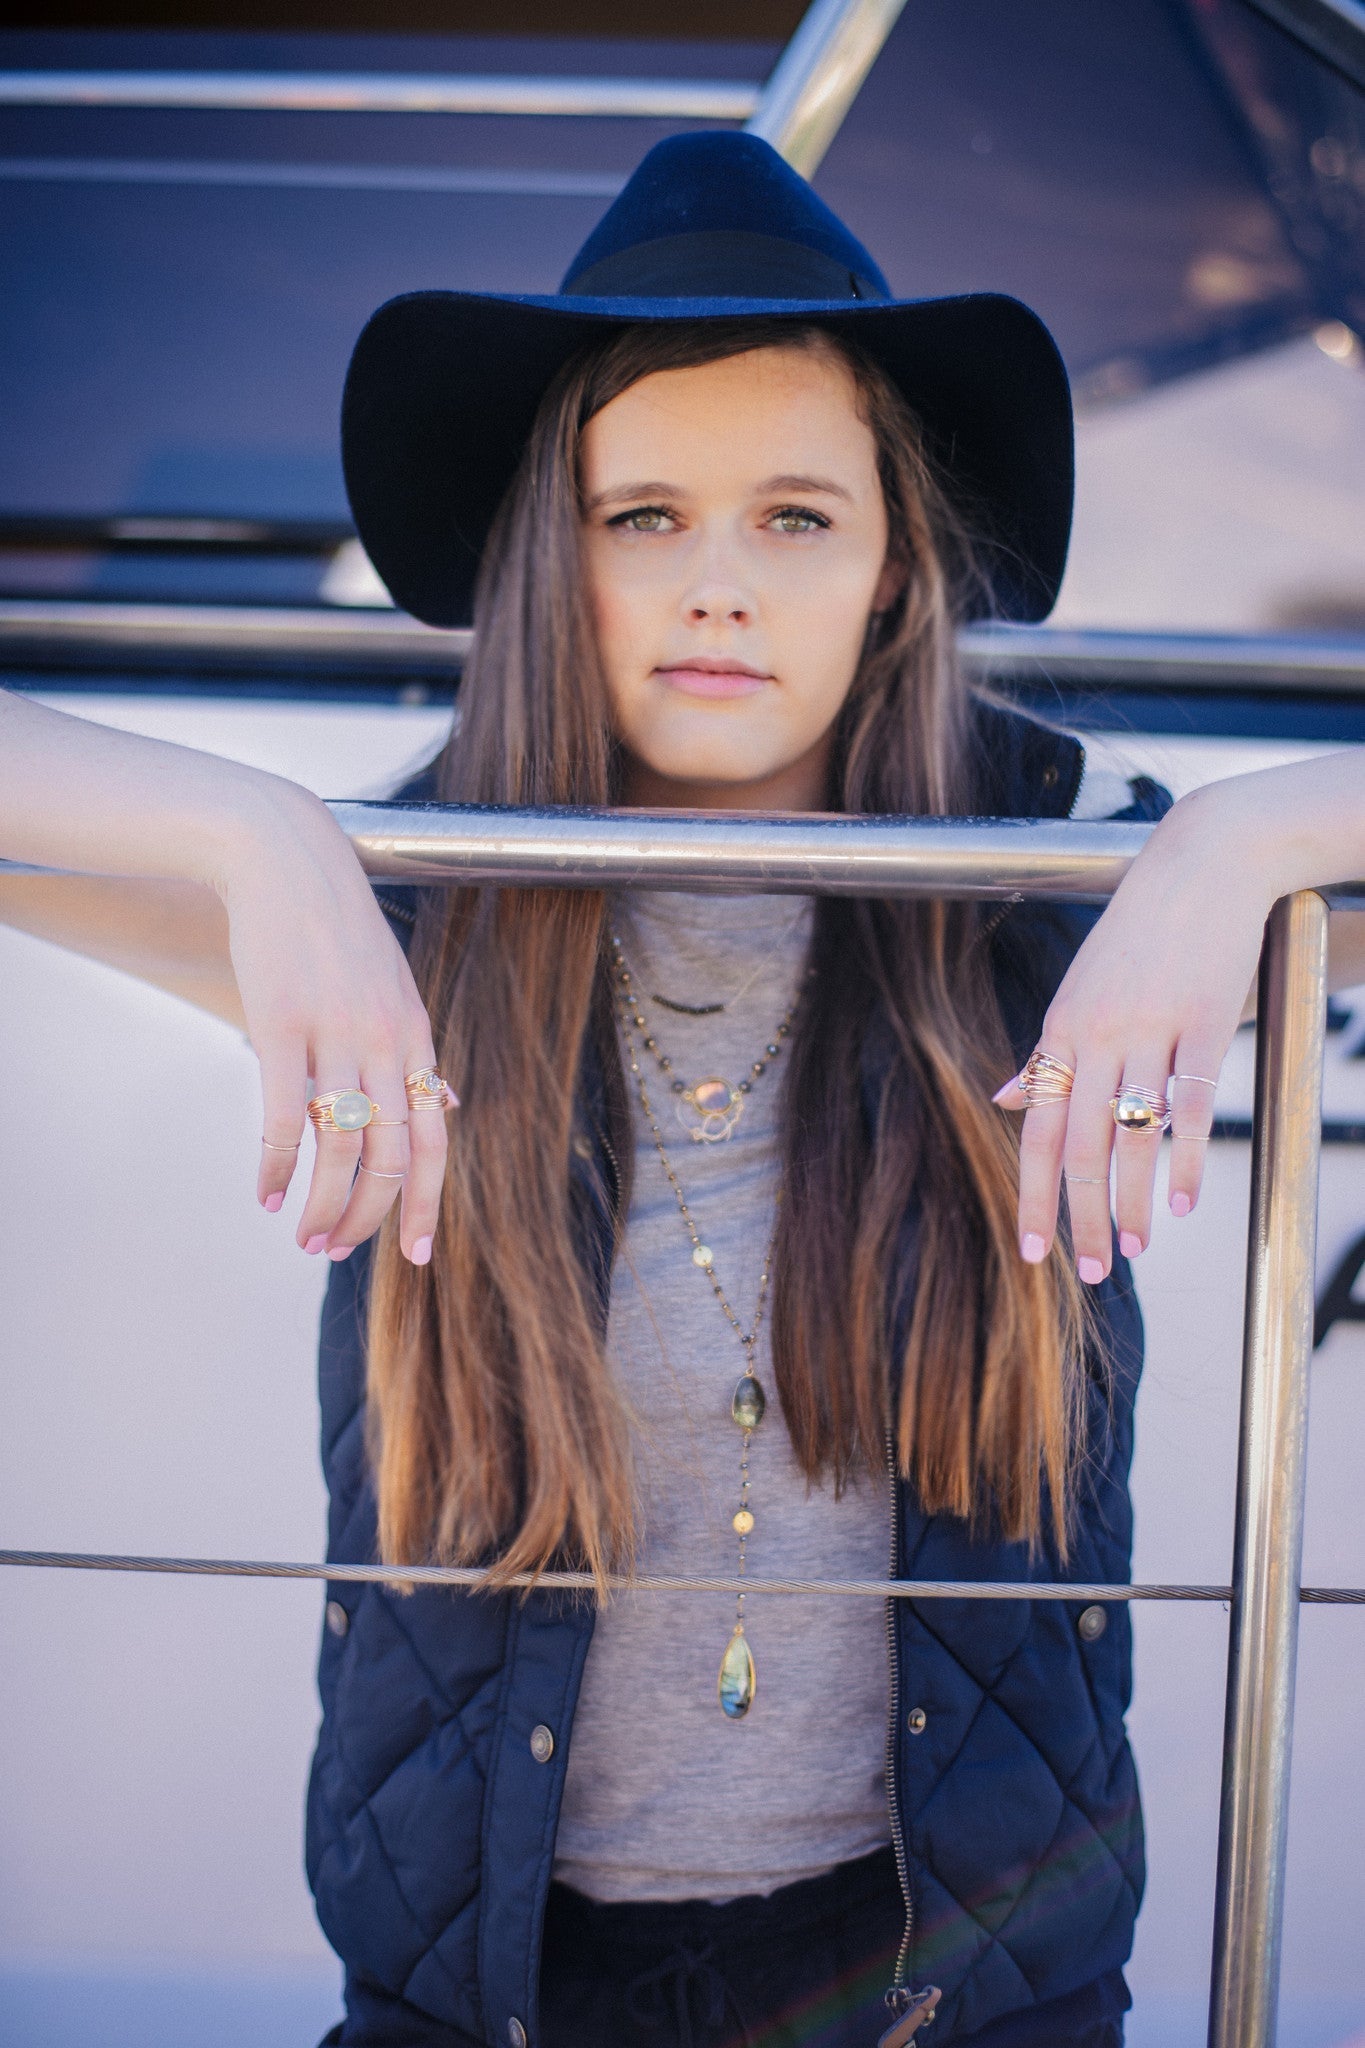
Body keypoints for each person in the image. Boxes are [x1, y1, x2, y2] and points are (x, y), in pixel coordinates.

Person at [0, 131, 1360, 2048]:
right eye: (642, 513)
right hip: (490, 2004)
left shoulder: (1062, 883)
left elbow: (1230, 864)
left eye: (795, 516)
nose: (716, 584)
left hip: (958, 1999)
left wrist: (1241, 845)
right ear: (553, 553)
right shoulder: (403, 909)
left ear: (896, 570)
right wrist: (250, 832)